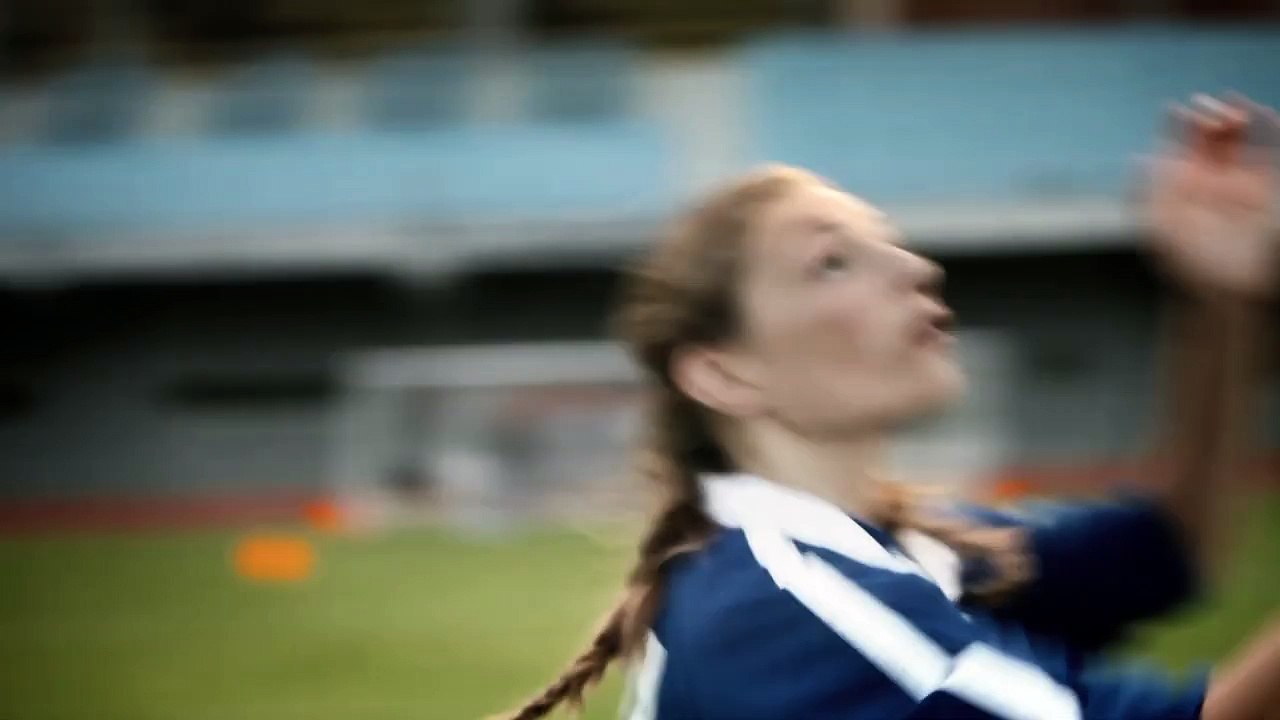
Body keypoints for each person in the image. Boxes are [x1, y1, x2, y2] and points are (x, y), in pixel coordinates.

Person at [502, 94, 1280, 720]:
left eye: (890, 243)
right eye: (832, 263)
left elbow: (1173, 547)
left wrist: (1219, 302)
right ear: (725, 373)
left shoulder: (892, 547)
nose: (917, 268)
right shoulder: (785, 612)